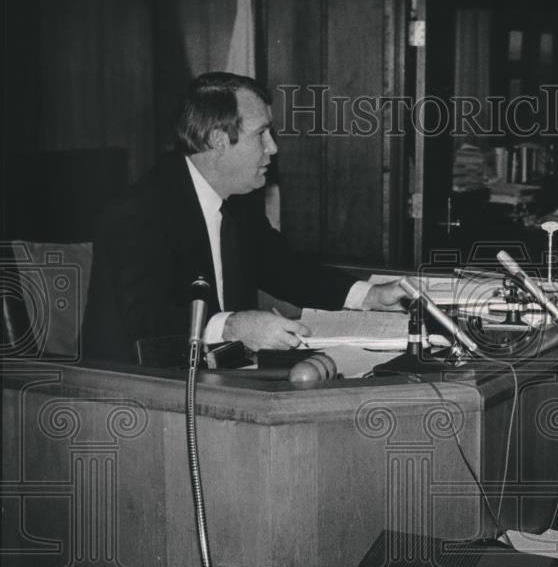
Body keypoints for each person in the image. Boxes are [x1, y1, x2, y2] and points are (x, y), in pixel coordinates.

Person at [82, 72, 405, 364]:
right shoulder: (139, 213)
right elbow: (147, 320)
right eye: (261, 134)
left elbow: (282, 267)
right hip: (133, 389)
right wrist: (234, 326)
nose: (273, 148)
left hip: (217, 376)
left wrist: (369, 295)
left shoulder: (237, 200)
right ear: (218, 140)